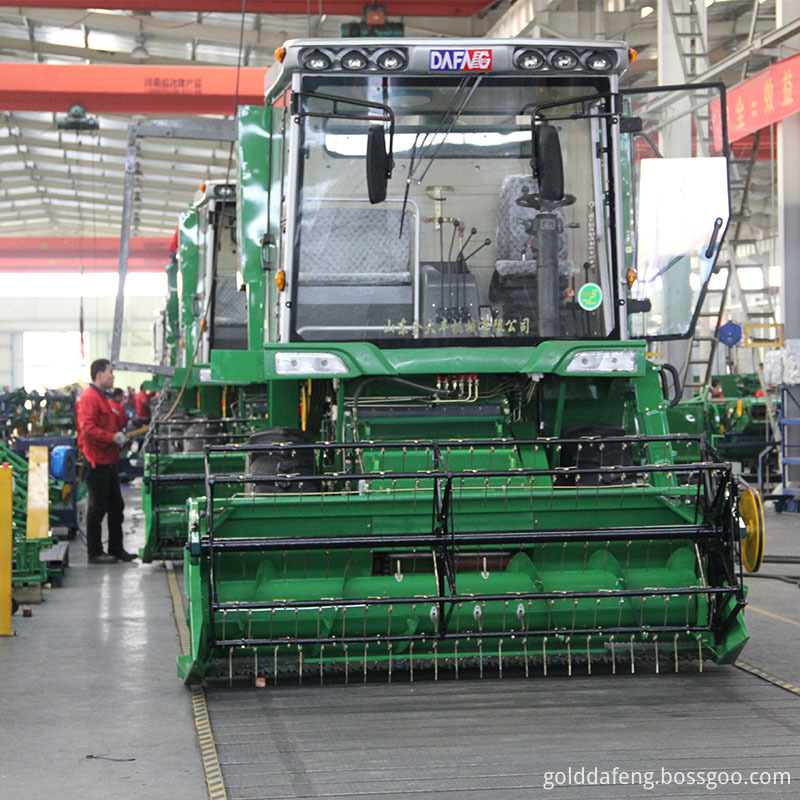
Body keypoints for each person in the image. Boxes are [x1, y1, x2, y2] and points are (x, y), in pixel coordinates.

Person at [76, 359, 137, 564]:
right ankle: (95, 553)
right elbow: (88, 429)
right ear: (100, 374)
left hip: (108, 460)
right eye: (111, 372)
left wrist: (117, 435)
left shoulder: (103, 398)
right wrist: (111, 437)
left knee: (116, 505)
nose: (113, 376)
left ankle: (116, 549)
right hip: (97, 460)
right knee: (98, 507)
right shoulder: (89, 398)